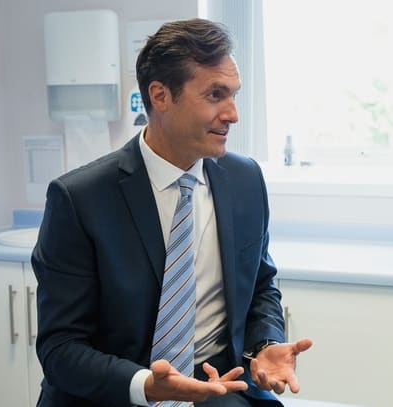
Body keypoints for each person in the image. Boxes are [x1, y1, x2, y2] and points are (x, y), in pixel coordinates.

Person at [33, 18, 312, 407]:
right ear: (161, 96)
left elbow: (262, 287)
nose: (233, 113)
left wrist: (263, 344)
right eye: (216, 95)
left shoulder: (245, 180)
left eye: (234, 95)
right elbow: (60, 347)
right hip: (115, 393)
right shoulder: (79, 199)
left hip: (217, 385)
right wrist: (145, 385)